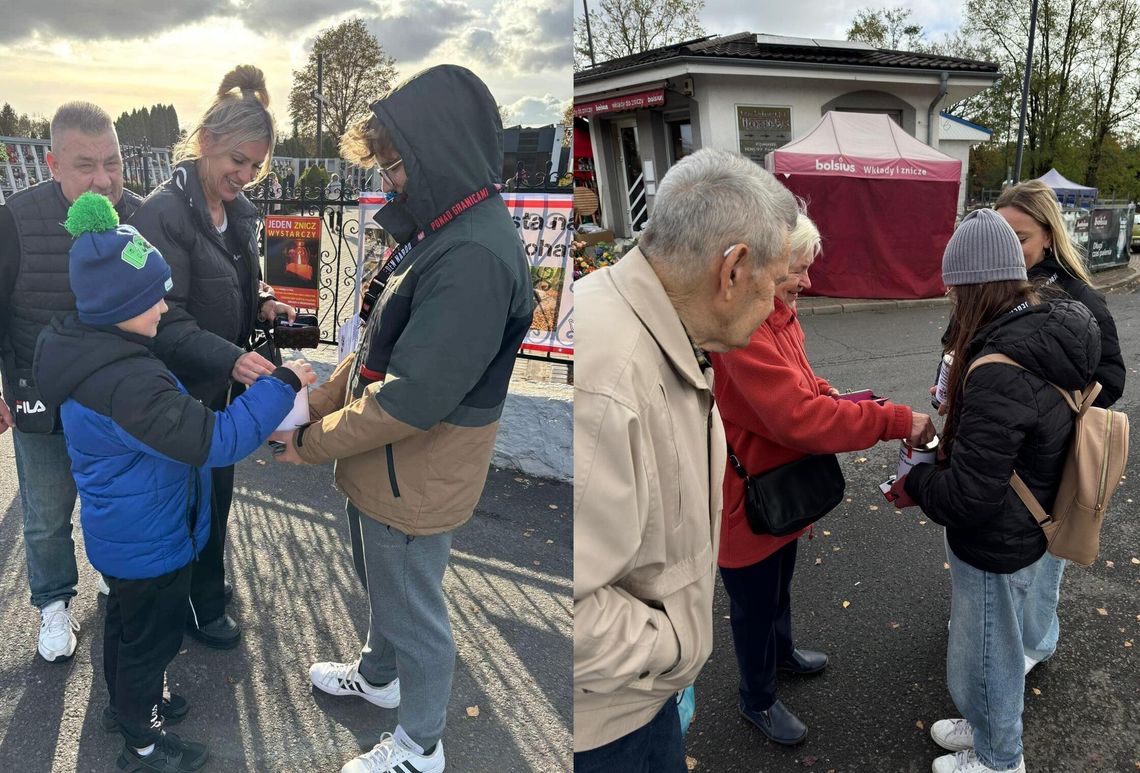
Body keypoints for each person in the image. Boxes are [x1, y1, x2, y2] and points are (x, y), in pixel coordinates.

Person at [268, 65, 533, 773]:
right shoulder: (443, 228)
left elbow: (411, 397)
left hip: (413, 471)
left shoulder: (472, 251)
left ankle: (420, 744)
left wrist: (311, 441)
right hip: (388, 465)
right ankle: (378, 677)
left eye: (396, 163)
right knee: (384, 584)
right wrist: (319, 403)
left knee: (415, 611)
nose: (390, 181)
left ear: (437, 151)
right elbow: (377, 352)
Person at [34, 191, 315, 773]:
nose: (164, 309)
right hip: (150, 544)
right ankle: (143, 741)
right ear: (119, 306)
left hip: (127, 537)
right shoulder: (128, 385)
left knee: (125, 629)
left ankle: (128, 708)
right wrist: (280, 384)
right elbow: (215, 440)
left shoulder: (97, 353)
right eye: (152, 300)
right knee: (151, 644)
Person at [0, 101, 264, 663]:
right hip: (42, 400)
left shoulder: (139, 218)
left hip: (117, 404)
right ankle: (52, 605)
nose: (104, 179)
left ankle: (111, 579)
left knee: (116, 502)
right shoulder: (15, 219)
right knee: (47, 514)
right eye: (85, 166)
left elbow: (163, 313)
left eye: (113, 162)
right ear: (51, 164)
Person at [574, 147, 798, 773]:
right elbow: (572, 606)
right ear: (732, 270)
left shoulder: (659, 328)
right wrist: (675, 646)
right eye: (773, 284)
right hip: (608, 722)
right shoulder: (610, 378)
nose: (777, 306)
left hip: (636, 695)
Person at [709, 212, 936, 745]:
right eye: (799, 270)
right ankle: (757, 699)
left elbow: (803, 386)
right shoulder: (741, 332)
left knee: (777, 586)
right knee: (754, 604)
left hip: (778, 486)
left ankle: (780, 655)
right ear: (760, 267)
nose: (808, 282)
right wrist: (895, 420)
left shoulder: (776, 314)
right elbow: (798, 417)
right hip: (750, 496)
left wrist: (832, 393)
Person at [892, 209, 1100, 773]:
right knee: (992, 648)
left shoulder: (997, 366)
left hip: (997, 534)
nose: (951, 301)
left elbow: (970, 497)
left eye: (955, 290)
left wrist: (916, 481)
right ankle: (985, 725)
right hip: (1032, 513)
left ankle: (999, 759)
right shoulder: (1048, 326)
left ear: (975, 286)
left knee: (987, 654)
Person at [130, 65, 294, 650]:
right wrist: (233, 359)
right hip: (178, 388)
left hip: (217, 387)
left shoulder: (236, 213)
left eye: (256, 166)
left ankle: (203, 594)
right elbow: (162, 316)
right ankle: (193, 605)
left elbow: (238, 282)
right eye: (237, 161)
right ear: (205, 143)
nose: (245, 176)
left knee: (213, 495)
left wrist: (266, 300)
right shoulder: (162, 213)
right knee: (186, 501)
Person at [993, 180, 1125, 676]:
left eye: (1020, 239)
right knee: (1011, 546)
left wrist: (1047, 414)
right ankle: (1007, 626)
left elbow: (1111, 379)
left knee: (1047, 551)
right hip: (1006, 450)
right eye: (1001, 239)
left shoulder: (1079, 298)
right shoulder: (997, 288)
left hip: (1053, 452)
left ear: (1048, 237)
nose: (1011, 251)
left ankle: (1035, 641)